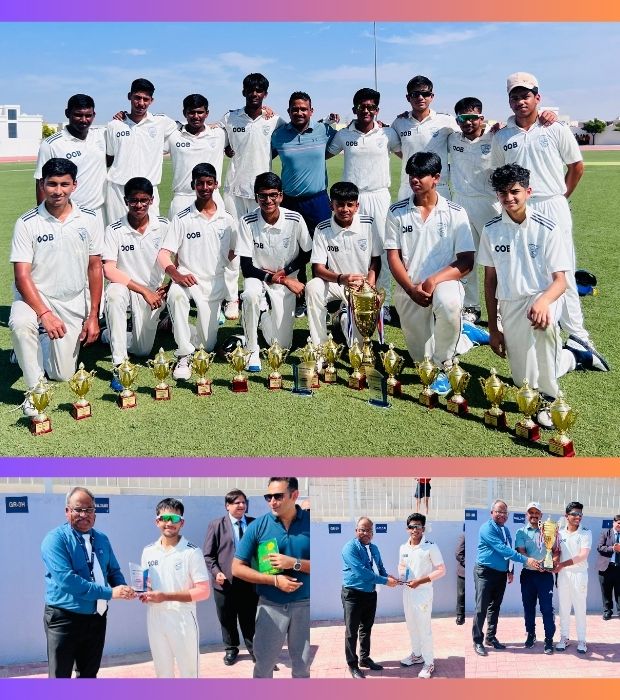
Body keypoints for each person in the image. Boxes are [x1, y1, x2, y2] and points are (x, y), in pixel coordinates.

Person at [490, 71, 608, 370]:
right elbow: (499, 175)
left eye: (526, 95)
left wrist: (561, 197)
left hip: (552, 204)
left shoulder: (555, 128)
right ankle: (523, 322)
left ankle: (579, 337)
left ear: (537, 98)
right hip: (518, 207)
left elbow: (576, 166)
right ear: (509, 101)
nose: (521, 101)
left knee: (562, 270)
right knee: (520, 265)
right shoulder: (502, 136)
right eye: (515, 97)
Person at [478, 164, 603, 428]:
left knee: (543, 326)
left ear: (528, 191)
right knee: (521, 379)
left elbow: (561, 281)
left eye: (515, 191)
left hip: (544, 297)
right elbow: (490, 281)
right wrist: (493, 328)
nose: (509, 198)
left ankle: (549, 397)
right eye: (503, 193)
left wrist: (544, 301)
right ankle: (575, 356)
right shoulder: (491, 229)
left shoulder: (548, 227)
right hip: (511, 303)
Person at [9, 157, 103, 416]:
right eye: (52, 184)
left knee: (62, 374)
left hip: (71, 301)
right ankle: (34, 391)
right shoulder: (27, 222)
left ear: (74, 185)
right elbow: (22, 276)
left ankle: (26, 349)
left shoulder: (90, 218)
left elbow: (95, 267)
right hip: (34, 298)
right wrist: (45, 314)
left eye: (64, 184)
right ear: (42, 184)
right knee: (20, 323)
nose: (58, 191)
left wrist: (93, 315)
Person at [385, 152, 475, 395]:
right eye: (411, 174)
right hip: (410, 288)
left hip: (444, 282)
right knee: (421, 360)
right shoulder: (396, 211)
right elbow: (393, 256)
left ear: (436, 177)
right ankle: (465, 336)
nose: (415, 179)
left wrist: (434, 279)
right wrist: (410, 289)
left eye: (421, 175)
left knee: (448, 303)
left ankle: (446, 364)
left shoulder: (456, 212)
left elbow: (467, 261)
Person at [41, 487, 135, 677]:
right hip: (64, 619)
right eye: (78, 509)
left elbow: (113, 571)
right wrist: (110, 593)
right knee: (60, 677)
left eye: (89, 509)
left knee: (89, 675)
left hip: (96, 618)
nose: (84, 514)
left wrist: (124, 588)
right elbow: (68, 581)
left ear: (95, 513)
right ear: (67, 511)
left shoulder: (102, 539)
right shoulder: (55, 540)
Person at [157, 163, 237, 380]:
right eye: (200, 183)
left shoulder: (227, 220)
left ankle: (175, 326)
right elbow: (163, 255)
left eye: (209, 183)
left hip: (213, 285)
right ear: (193, 185)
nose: (204, 187)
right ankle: (183, 354)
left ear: (216, 184)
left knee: (207, 346)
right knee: (176, 295)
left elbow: (233, 255)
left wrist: (232, 295)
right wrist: (176, 276)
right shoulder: (182, 218)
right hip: (186, 280)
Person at [326, 87, 401, 319]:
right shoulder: (343, 135)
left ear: (377, 110)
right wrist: (326, 124)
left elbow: (406, 153)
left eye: (371, 107)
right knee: (349, 246)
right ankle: (347, 298)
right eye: (362, 106)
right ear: (354, 109)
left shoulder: (388, 133)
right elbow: (323, 153)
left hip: (379, 196)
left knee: (383, 249)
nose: (366, 110)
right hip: (352, 199)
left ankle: (383, 301)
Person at [219, 73, 286, 320]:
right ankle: (231, 298)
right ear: (244, 91)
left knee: (261, 247)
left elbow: (285, 140)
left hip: (263, 194)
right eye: (250, 89)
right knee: (233, 247)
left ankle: (261, 295)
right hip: (235, 191)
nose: (254, 94)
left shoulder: (275, 120)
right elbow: (216, 137)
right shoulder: (230, 118)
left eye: (259, 90)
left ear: (265, 94)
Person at [232, 477, 310, 678]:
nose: (272, 502)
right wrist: (274, 580)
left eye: (278, 496)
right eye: (268, 497)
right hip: (270, 606)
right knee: (264, 667)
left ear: (294, 495)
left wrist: (293, 563)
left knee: (302, 669)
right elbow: (237, 568)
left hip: (305, 606)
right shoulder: (258, 526)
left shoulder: (311, 524)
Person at [236, 172, 312, 371]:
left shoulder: (295, 219)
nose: (268, 200)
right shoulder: (246, 221)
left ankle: (262, 316)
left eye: (273, 195)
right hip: (258, 277)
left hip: (286, 278)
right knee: (250, 294)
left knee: (281, 346)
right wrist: (277, 278)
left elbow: (307, 253)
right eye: (263, 195)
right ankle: (251, 349)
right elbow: (246, 267)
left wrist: (285, 273)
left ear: (281, 196)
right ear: (256, 197)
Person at [271, 91, 339, 315]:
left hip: (318, 200)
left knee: (325, 248)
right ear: (289, 111)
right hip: (290, 201)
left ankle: (328, 296)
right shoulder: (279, 135)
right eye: (295, 109)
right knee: (294, 249)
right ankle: (299, 296)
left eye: (303, 109)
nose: (299, 112)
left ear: (311, 111)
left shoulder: (323, 131)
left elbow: (346, 137)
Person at [102, 177, 169, 391]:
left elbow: (178, 259)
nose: (138, 205)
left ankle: (109, 334)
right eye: (133, 200)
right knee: (113, 294)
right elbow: (109, 270)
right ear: (125, 201)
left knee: (142, 351)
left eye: (143, 200)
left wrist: (168, 286)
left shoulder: (164, 226)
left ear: (151, 200)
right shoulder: (114, 229)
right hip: (126, 287)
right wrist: (143, 291)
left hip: (153, 293)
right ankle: (119, 365)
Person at [305, 181, 382, 352]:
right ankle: (321, 347)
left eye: (350, 204)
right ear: (331, 205)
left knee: (358, 347)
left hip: (361, 285)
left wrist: (369, 284)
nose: (345, 209)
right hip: (336, 282)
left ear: (357, 206)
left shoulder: (369, 224)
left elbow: (376, 260)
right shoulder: (322, 228)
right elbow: (318, 268)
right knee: (313, 287)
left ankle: (342, 318)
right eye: (340, 204)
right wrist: (341, 278)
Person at [140, 497, 210, 677]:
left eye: (175, 518)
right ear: (157, 521)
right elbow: (145, 585)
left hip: (182, 619)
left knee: (189, 674)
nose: (169, 523)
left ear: (182, 523)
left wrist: (166, 596)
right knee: (163, 674)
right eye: (164, 518)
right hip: (155, 618)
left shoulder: (192, 551)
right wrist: (144, 593)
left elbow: (203, 591)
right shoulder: (148, 551)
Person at [447, 97, 500, 323]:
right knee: (466, 257)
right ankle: (471, 307)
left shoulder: (495, 137)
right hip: (461, 203)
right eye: (462, 118)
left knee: (497, 259)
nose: (467, 122)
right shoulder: (452, 139)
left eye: (472, 117)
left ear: (481, 118)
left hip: (489, 204)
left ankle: (500, 310)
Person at [472, 500, 542, 656]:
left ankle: (490, 637)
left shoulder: (505, 530)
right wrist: (526, 560)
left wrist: (510, 570)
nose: (502, 515)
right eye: (499, 511)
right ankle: (477, 641)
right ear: (492, 512)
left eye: (505, 512)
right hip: (485, 572)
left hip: (500, 574)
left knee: (495, 607)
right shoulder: (487, 528)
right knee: (481, 608)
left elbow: (509, 550)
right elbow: (502, 549)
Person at [105, 78, 178, 223]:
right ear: (129, 96)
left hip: (149, 189)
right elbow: (110, 156)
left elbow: (184, 127)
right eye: (137, 98)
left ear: (152, 101)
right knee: (118, 231)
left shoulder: (161, 122)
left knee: (152, 231)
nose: (141, 103)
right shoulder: (114, 125)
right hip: (118, 190)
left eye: (146, 99)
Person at [203, 489, 258, 666]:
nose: (241, 505)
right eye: (237, 502)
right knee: (227, 619)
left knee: (249, 619)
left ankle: (255, 651)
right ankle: (231, 649)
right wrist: (216, 572)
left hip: (249, 581)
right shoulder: (216, 525)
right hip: (224, 583)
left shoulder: (254, 524)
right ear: (227, 505)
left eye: (243, 502)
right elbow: (208, 555)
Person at [35, 94, 107, 227]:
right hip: (68, 215)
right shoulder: (51, 144)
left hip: (98, 213)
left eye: (88, 115)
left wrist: (122, 116)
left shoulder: (101, 136)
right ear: (67, 113)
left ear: (94, 115)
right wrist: (43, 220)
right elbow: (41, 182)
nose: (84, 120)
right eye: (78, 115)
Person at [341, 516, 398, 679]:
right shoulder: (349, 548)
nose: (366, 533)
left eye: (369, 530)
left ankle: (364, 659)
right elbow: (362, 573)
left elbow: (380, 567)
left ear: (373, 533)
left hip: (370, 594)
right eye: (362, 530)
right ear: (356, 531)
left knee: (366, 628)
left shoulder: (374, 548)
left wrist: (388, 577)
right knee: (351, 631)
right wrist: (385, 581)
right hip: (353, 594)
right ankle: (352, 664)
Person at [391, 75, 458, 201]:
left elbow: (467, 136)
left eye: (425, 94)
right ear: (408, 97)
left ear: (431, 96)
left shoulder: (446, 120)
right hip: (409, 185)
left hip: (438, 186)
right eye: (415, 94)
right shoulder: (399, 122)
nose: (420, 98)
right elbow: (394, 146)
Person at [398, 513, 445, 679]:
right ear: (407, 529)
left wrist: (420, 581)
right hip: (407, 592)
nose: (415, 529)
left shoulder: (431, 547)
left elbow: (441, 570)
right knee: (411, 626)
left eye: (418, 526)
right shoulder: (403, 548)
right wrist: (402, 576)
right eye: (411, 526)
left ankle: (429, 662)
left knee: (424, 628)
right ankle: (417, 655)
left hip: (423, 594)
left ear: (423, 528)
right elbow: (401, 565)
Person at [167, 94, 226, 217]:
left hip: (212, 196)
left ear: (207, 113)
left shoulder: (219, 134)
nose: (196, 116)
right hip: (182, 197)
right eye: (191, 112)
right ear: (184, 113)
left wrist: (264, 111)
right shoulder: (173, 136)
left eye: (200, 112)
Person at [514, 501, 558, 654]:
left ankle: (549, 639)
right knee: (529, 607)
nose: (534, 515)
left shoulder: (549, 530)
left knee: (546, 608)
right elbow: (521, 551)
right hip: (528, 575)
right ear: (527, 515)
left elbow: (555, 550)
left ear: (541, 515)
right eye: (531, 512)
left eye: (536, 512)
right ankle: (531, 634)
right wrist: (532, 561)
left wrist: (551, 562)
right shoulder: (521, 532)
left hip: (545, 575)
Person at [555, 501, 591, 653]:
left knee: (580, 608)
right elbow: (556, 552)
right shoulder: (559, 533)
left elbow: (583, 555)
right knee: (563, 608)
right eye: (575, 514)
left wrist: (562, 564)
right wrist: (554, 562)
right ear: (566, 516)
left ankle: (582, 640)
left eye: (580, 514)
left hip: (579, 575)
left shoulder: (585, 532)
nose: (578, 517)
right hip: (563, 575)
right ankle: (564, 637)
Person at [596, 514, 620, 620]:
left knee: (619, 592)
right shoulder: (605, 533)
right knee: (606, 591)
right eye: (619, 523)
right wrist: (613, 549)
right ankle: (607, 611)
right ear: (614, 522)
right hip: (606, 567)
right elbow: (599, 547)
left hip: (619, 568)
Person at [455, 532, 465, 625]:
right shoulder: (464, 535)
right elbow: (458, 553)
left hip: (478, 570)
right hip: (463, 571)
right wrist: (467, 563)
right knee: (461, 594)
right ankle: (460, 615)